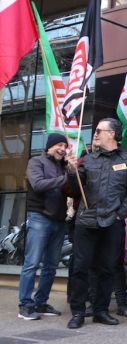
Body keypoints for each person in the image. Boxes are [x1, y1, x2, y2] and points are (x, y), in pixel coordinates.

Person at [66, 118, 127, 329]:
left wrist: (121, 213)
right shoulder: (87, 160)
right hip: (86, 221)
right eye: (95, 130)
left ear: (113, 134)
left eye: (99, 130)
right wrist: (72, 171)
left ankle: (101, 310)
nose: (95, 134)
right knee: (81, 268)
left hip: (112, 222)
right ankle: (78, 312)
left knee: (107, 268)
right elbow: (73, 189)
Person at [18, 133, 70, 320]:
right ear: (50, 146)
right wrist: (65, 179)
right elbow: (38, 185)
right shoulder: (36, 162)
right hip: (39, 218)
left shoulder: (64, 167)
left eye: (65, 145)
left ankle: (40, 303)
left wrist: (73, 174)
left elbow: (71, 189)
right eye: (59, 145)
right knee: (32, 263)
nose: (63, 149)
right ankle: (25, 304)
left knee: (50, 266)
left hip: (59, 220)